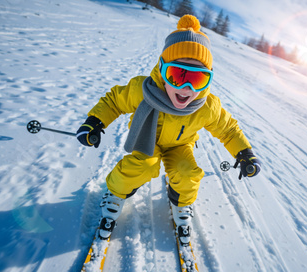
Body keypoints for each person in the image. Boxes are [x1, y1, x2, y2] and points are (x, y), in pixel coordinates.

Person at [76, 14, 261, 241]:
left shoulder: (206, 107)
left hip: (180, 144)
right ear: (162, 69)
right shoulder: (142, 90)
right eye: (177, 75)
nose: (185, 88)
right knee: (143, 165)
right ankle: (115, 193)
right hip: (147, 139)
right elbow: (114, 100)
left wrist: (244, 152)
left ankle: (180, 201)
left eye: (198, 80)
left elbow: (228, 129)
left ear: (208, 81)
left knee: (187, 172)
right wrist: (95, 121)